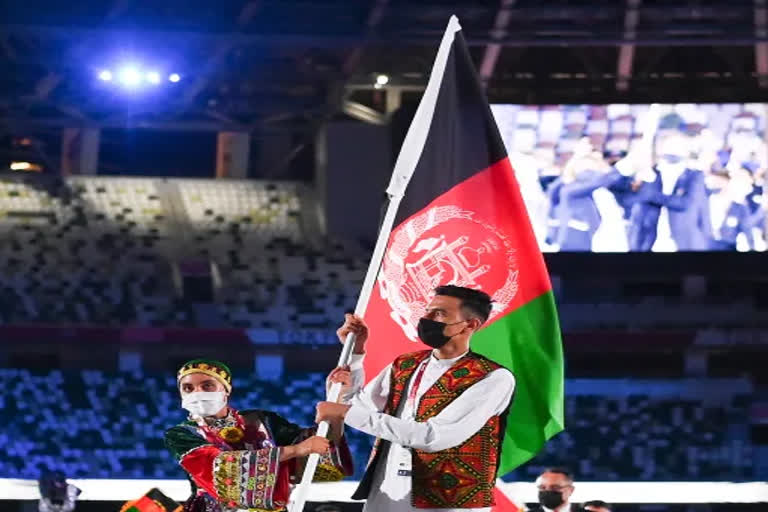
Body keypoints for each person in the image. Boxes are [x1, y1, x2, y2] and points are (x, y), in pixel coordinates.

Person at [316, 285, 516, 511]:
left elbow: (434, 437)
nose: (426, 318)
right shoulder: (406, 363)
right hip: (387, 488)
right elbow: (355, 407)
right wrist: (355, 353)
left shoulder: (492, 377)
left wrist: (345, 412)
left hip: (448, 501)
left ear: (470, 325)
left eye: (439, 313)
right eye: (428, 311)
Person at [164, 359, 354, 512]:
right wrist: (296, 450)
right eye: (188, 388)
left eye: (207, 386)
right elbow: (222, 466)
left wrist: (335, 404)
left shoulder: (262, 420)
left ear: (226, 389)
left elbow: (316, 449)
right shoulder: (180, 434)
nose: (197, 393)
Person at [626, 131, 712, 251]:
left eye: (677, 147)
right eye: (669, 147)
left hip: (683, 243)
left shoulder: (693, 176)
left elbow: (684, 203)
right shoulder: (653, 174)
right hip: (651, 241)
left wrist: (652, 195)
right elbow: (634, 200)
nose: (672, 152)